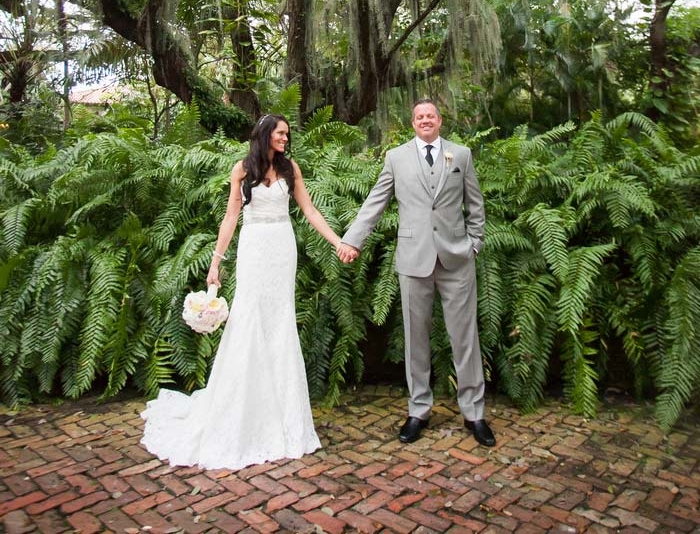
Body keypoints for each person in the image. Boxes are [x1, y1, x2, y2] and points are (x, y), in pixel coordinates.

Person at [141, 113, 347, 471]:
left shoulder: (290, 168)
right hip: (253, 248)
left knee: (279, 321)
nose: (286, 138)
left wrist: (337, 241)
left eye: (287, 133)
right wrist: (215, 263)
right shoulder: (242, 170)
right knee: (249, 318)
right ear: (266, 134)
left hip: (282, 247)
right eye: (282, 133)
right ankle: (241, 411)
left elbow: (309, 210)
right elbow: (231, 216)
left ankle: (283, 415)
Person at [337, 98, 495, 447]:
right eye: (419, 116)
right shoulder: (396, 158)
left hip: (457, 259)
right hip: (414, 259)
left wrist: (474, 243)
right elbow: (375, 202)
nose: (425, 120)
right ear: (413, 123)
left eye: (431, 115)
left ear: (440, 120)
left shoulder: (462, 155)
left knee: (465, 339)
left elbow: (476, 203)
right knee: (416, 339)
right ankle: (418, 409)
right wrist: (352, 240)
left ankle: (474, 413)